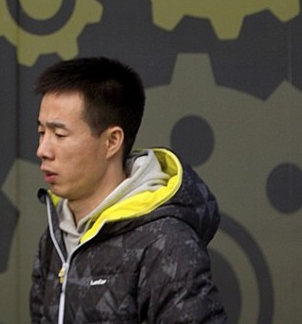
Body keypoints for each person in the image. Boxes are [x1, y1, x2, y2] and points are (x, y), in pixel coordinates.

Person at [31, 56, 227, 324]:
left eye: (59, 135)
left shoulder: (165, 243)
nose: (42, 150)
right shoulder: (54, 238)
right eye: (42, 132)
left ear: (112, 141)